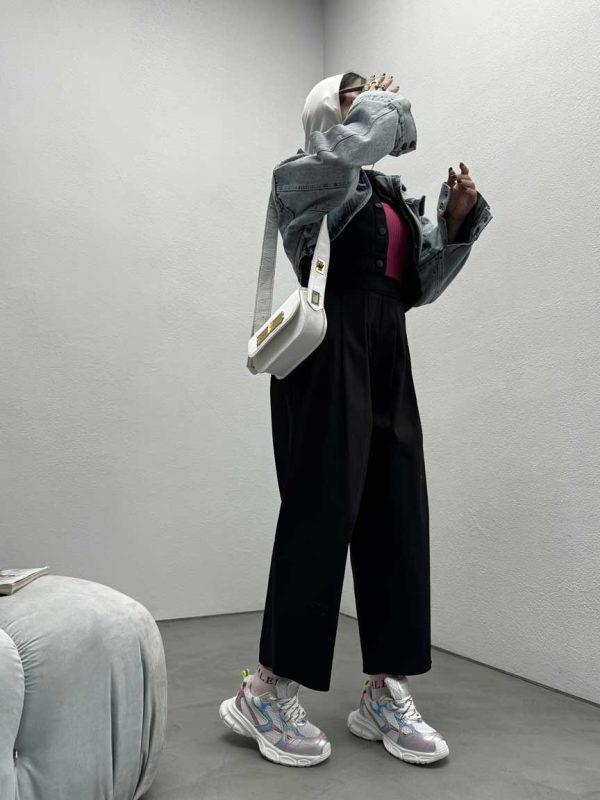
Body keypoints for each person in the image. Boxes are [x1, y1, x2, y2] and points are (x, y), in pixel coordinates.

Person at [219, 71, 492, 768]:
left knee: (397, 510)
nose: (372, 99)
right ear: (325, 113)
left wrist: (454, 221)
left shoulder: (389, 194)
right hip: (327, 348)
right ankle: (265, 689)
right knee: (322, 509)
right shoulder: (306, 174)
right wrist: (379, 109)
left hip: (387, 347)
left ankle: (382, 690)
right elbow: (356, 150)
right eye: (354, 94)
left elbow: (419, 283)